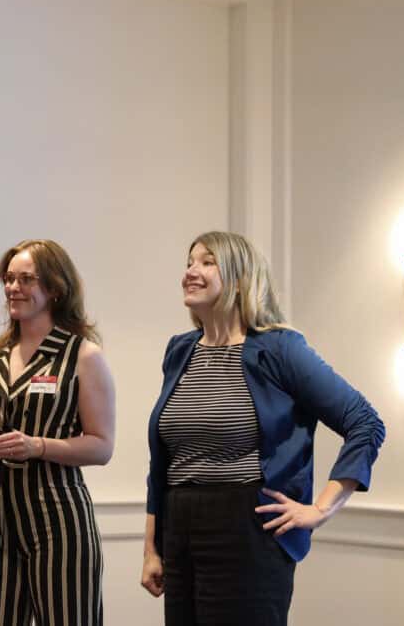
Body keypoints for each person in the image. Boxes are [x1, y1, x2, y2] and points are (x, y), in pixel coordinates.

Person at [140, 230, 385, 625]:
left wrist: (320, 509)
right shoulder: (179, 350)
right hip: (180, 526)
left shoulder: (280, 349)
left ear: (239, 279)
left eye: (206, 261)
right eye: (189, 262)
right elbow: (162, 463)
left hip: (249, 529)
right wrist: (152, 547)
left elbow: (365, 423)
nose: (190, 271)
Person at [0, 239, 116, 626]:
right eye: (9, 279)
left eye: (26, 279)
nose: (13, 288)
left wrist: (38, 446)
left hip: (57, 518)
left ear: (55, 288)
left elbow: (102, 446)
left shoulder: (82, 355)